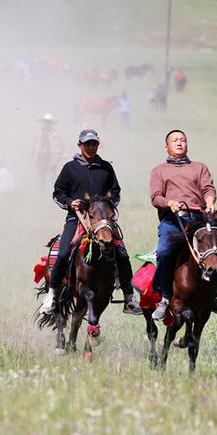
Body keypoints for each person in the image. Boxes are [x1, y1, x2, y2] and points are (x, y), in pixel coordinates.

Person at [40, 129, 141, 316]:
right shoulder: (70, 168)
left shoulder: (106, 168)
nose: (91, 147)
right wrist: (71, 203)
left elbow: (116, 191)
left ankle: (129, 297)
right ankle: (52, 293)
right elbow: (58, 192)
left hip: (102, 219)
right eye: (87, 144)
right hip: (76, 217)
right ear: (80, 145)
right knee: (62, 253)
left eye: (94, 144)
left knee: (122, 253)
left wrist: (108, 206)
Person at [149, 130, 217, 320]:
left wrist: (210, 201)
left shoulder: (200, 167)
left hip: (200, 220)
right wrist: (169, 203)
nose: (179, 143)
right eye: (175, 140)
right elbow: (156, 197)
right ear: (166, 147)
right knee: (164, 251)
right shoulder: (159, 170)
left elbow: (208, 189)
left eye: (183, 140)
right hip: (173, 220)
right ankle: (164, 297)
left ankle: (215, 295)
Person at [31, 113, 64, 188]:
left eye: (48, 122)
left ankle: (55, 192)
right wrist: (34, 159)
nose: (47, 124)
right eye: (45, 122)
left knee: (52, 177)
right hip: (41, 158)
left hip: (51, 158)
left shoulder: (55, 134)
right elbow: (35, 147)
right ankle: (43, 193)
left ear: (51, 124)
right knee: (42, 177)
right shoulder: (38, 134)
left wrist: (56, 159)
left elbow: (59, 148)